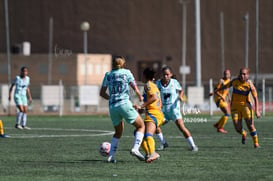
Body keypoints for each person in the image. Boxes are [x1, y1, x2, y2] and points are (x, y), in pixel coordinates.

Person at [100, 56, 145, 163]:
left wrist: (111, 98)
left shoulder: (108, 74)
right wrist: (140, 97)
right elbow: (135, 88)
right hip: (124, 104)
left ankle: (111, 157)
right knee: (141, 126)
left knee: (118, 132)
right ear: (123, 64)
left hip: (112, 107)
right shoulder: (127, 73)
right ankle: (135, 149)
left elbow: (102, 93)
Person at [210, 68, 260, 148]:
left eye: (244, 74)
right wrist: (214, 91)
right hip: (234, 107)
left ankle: (256, 143)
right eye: (241, 74)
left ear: (247, 75)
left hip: (245, 107)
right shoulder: (234, 81)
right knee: (237, 128)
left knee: (250, 125)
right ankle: (243, 133)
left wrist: (257, 110)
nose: (242, 75)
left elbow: (256, 98)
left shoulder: (250, 85)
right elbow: (225, 86)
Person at [156, 66, 198, 151]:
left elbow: (181, 90)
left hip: (174, 110)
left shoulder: (174, 82)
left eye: (167, 74)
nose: (165, 76)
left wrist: (180, 96)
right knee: (154, 125)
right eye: (164, 75)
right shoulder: (158, 83)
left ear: (171, 75)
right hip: (163, 111)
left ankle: (193, 146)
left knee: (182, 128)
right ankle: (164, 143)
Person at [134, 67, 165, 163]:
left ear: (144, 76)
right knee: (138, 133)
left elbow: (154, 97)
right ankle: (149, 154)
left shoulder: (148, 85)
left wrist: (142, 105)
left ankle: (153, 153)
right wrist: (141, 108)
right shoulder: (153, 85)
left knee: (148, 135)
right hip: (155, 113)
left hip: (154, 114)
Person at [213, 69, 231, 134]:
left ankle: (217, 124)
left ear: (230, 74)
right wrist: (221, 96)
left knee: (227, 113)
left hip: (223, 99)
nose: (226, 75)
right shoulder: (221, 81)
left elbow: (227, 90)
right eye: (225, 74)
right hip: (219, 99)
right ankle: (220, 127)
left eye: (227, 74)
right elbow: (215, 90)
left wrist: (229, 97)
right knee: (227, 113)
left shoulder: (229, 81)